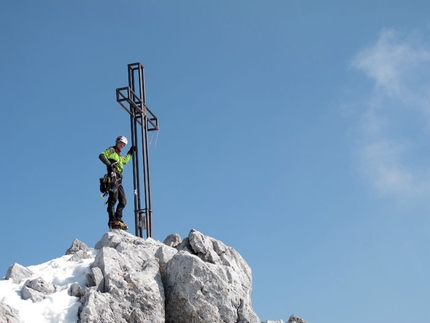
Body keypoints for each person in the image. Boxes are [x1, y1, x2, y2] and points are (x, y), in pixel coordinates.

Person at [99, 135, 135, 230]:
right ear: (117, 142)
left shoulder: (118, 156)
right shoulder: (112, 150)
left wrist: (130, 153)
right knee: (113, 199)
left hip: (119, 179)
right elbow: (102, 155)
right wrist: (109, 164)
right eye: (121, 143)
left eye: (124, 144)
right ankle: (112, 220)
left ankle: (118, 219)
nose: (122, 145)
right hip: (113, 176)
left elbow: (124, 161)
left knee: (123, 201)